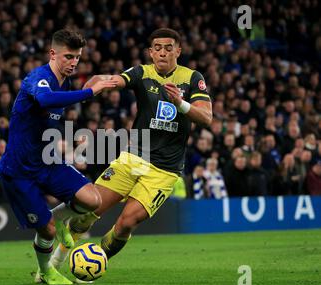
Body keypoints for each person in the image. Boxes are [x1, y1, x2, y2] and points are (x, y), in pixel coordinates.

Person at [51, 28, 212, 270]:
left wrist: (180, 103)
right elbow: (114, 80)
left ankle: (95, 263)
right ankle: (53, 265)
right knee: (90, 210)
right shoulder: (141, 73)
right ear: (150, 52)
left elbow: (206, 117)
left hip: (165, 170)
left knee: (126, 223)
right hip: (133, 157)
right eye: (157, 48)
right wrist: (95, 84)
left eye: (169, 48)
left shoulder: (191, 78)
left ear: (178, 51)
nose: (163, 53)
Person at [0, 29, 117, 285]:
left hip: (48, 161)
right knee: (47, 231)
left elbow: (52, 117)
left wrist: (70, 135)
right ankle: (46, 272)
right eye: (68, 57)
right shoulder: (38, 78)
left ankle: (59, 218)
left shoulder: (67, 82)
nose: (73, 63)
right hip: (20, 170)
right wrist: (90, 93)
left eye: (77, 58)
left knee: (92, 199)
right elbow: (45, 100)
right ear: (53, 54)